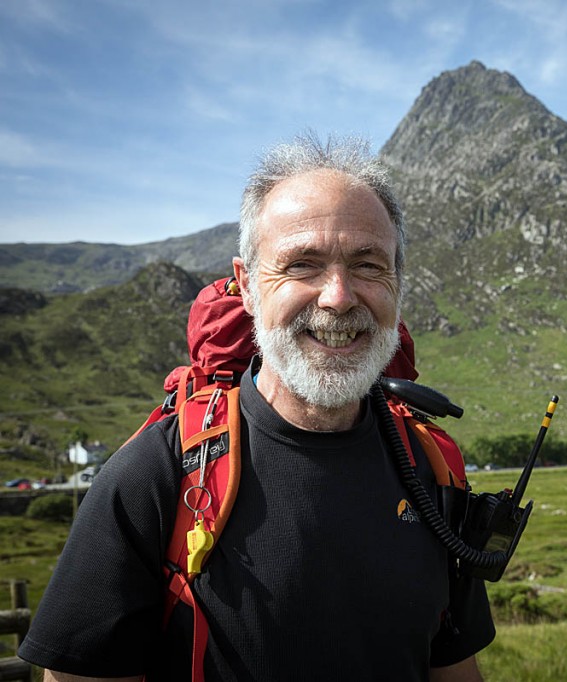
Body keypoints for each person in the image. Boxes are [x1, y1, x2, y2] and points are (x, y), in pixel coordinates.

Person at [18, 133, 495, 681]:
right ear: (247, 287)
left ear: (397, 283)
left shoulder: (434, 471)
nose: (338, 296)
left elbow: (454, 670)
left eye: (368, 265)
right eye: (302, 265)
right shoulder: (155, 475)